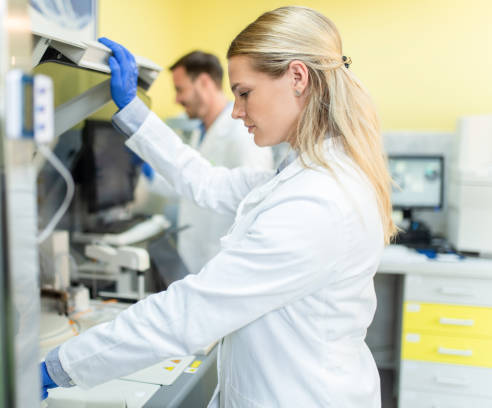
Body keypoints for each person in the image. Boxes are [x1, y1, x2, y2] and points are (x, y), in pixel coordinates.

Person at [41, 6, 397, 407]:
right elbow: (208, 183)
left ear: (298, 77)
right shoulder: (303, 173)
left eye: (245, 92)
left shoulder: (318, 201)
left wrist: (58, 366)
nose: (236, 110)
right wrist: (135, 114)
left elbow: (190, 312)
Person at [141, 50, 273, 275]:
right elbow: (192, 183)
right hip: (198, 257)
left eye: (180, 89)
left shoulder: (243, 135)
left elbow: (254, 207)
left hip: (225, 265)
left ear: (203, 82)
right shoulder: (199, 132)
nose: (177, 99)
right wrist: (148, 168)